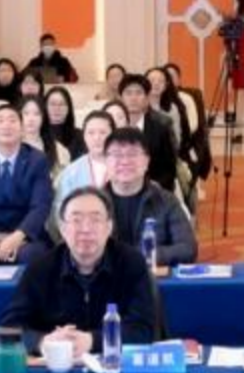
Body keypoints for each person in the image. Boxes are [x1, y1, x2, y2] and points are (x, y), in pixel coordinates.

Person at [0, 188, 161, 356]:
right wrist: (42, 342)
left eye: (95, 220)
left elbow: (143, 330)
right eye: (76, 220)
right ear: (62, 229)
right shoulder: (40, 268)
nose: (86, 229)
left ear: (109, 227)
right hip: (57, 366)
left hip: (114, 367)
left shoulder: (131, 263)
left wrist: (92, 341)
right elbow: (7, 329)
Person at [0, 100, 54, 261]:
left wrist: (16, 238)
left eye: (12, 120)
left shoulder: (37, 160)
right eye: (0, 121)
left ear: (22, 129)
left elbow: (41, 206)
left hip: (25, 237)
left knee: (31, 255)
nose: (6, 125)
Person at [102, 127, 198, 266]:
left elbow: (187, 249)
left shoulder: (166, 201)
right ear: (105, 161)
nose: (125, 161)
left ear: (147, 161)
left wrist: (142, 255)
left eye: (133, 154)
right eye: (117, 154)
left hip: (153, 278)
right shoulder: (92, 202)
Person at [111, 74, 181, 195]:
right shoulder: (113, 129)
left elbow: (169, 170)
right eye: (128, 93)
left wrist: (153, 189)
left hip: (152, 193)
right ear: (121, 98)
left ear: (147, 98)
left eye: (139, 93)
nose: (133, 98)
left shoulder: (160, 130)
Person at [54, 108, 118, 203]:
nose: (97, 138)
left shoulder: (123, 166)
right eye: (91, 133)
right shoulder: (72, 172)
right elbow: (61, 206)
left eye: (103, 132)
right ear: (84, 136)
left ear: (113, 135)